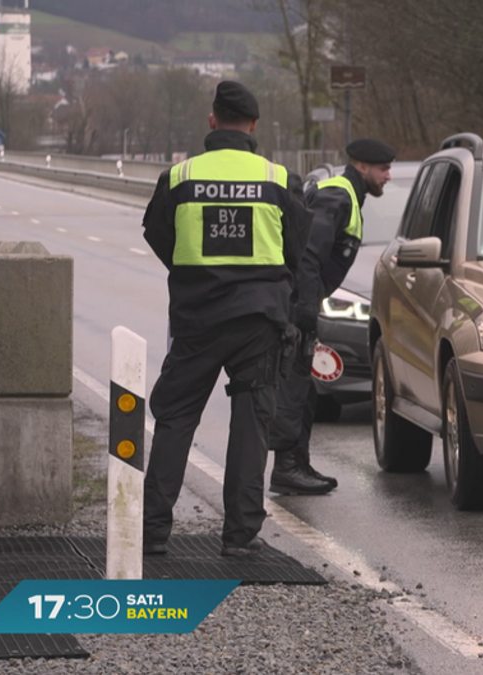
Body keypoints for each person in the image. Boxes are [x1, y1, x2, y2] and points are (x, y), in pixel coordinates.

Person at [141, 80, 309, 556]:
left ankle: (153, 533)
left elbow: (158, 235)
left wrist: (197, 273)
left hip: (197, 320)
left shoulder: (179, 177)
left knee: (175, 418)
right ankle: (240, 537)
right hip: (259, 322)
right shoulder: (279, 180)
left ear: (212, 121)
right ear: (254, 127)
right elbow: (296, 249)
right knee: (250, 424)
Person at [267, 137, 395, 495]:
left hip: (299, 303)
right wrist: (306, 311)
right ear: (363, 167)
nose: (388, 175)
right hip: (295, 306)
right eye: (383, 169)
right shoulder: (337, 196)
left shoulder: (348, 197)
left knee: (304, 388)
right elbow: (307, 255)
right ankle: (287, 468)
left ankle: (297, 463)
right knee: (294, 388)